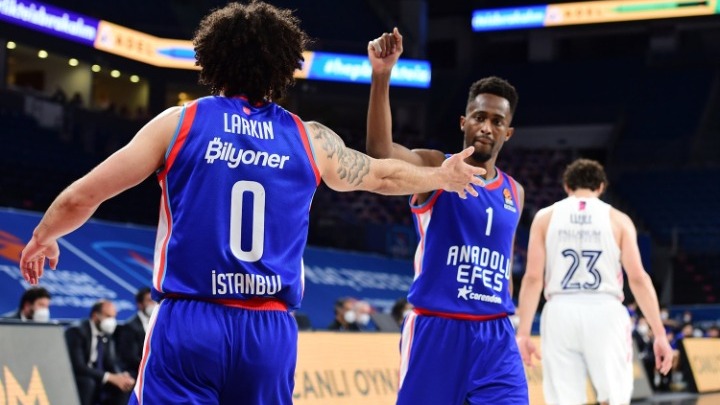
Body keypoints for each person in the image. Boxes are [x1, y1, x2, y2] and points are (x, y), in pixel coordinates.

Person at [18, 3, 485, 404]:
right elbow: (382, 174)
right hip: (268, 331)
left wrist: (44, 236)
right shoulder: (310, 138)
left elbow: (84, 195)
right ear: (284, 67)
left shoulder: (180, 122)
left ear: (212, 58)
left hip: (190, 320)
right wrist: (440, 176)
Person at [367, 29, 527, 404]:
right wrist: (381, 75)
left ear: (508, 132)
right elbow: (379, 153)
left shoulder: (515, 192)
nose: (486, 126)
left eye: (497, 121)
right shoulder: (436, 166)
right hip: (437, 329)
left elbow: (504, 262)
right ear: (463, 122)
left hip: (496, 336)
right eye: (479, 117)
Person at [515, 159, 673, 405]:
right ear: (601, 187)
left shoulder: (545, 217)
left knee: (564, 400)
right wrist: (660, 334)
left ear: (567, 186)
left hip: (560, 310)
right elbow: (638, 278)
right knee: (613, 396)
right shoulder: (619, 219)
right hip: (605, 309)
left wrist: (523, 332)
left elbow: (533, 277)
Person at [65, 300, 135, 405]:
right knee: (88, 383)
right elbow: (78, 366)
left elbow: (110, 362)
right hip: (78, 375)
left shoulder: (106, 333)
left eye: (114, 317)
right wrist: (110, 377)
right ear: (95, 316)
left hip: (97, 374)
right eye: (108, 316)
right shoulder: (77, 331)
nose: (112, 321)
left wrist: (121, 376)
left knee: (123, 386)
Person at [115, 287, 155, 379]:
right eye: (149, 301)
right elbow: (131, 357)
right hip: (137, 371)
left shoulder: (159, 323)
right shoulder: (130, 327)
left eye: (154, 300)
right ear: (140, 304)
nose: (153, 304)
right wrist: (152, 367)